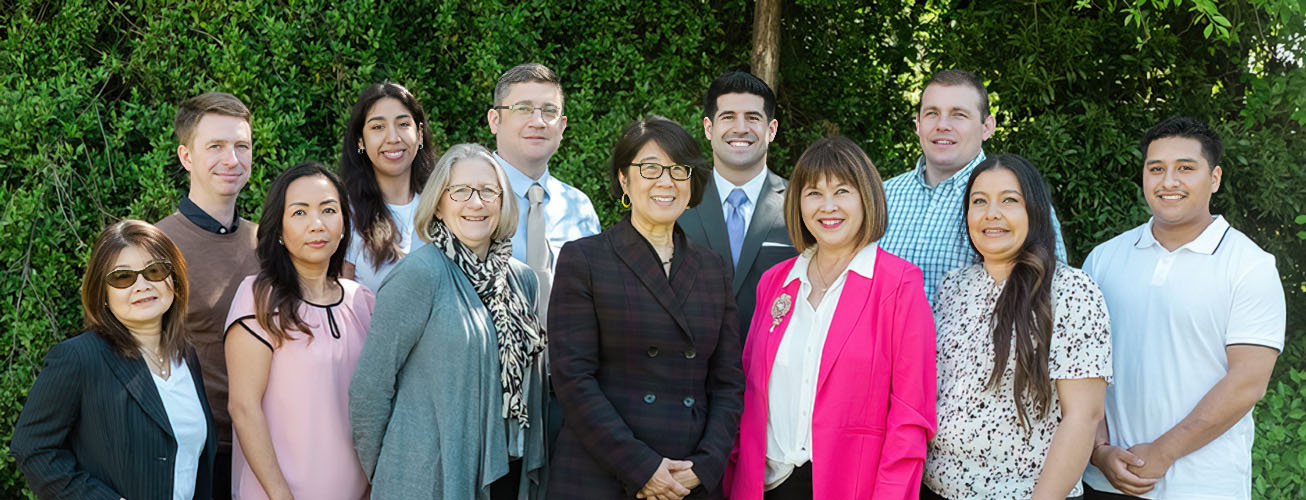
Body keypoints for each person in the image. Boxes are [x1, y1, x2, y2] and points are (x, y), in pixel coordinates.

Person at [1082, 117, 1284, 500]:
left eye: (1185, 168)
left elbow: (1248, 383)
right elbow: (1083, 370)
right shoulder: (1103, 260)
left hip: (1204, 485)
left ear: (1215, 178)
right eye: (1156, 168)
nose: (1168, 181)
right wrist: (1099, 450)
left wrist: (1164, 452)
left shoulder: (1248, 265)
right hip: (1106, 481)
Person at [724, 136, 936, 500]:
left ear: (865, 197)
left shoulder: (899, 285)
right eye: (813, 193)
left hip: (851, 488)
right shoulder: (775, 283)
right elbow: (748, 392)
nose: (828, 206)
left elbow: (910, 418)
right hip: (765, 485)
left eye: (842, 191)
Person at [548, 116, 745, 499]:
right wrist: (642, 468)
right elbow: (573, 380)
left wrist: (705, 465)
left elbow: (728, 383)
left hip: (687, 478)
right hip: (602, 474)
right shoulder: (585, 260)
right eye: (650, 168)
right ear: (625, 180)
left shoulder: (712, 268)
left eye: (678, 170)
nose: (666, 182)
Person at [351, 144, 548, 499]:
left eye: (489, 190)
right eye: (460, 191)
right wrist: (390, 472)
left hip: (508, 471)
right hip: (430, 479)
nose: (476, 202)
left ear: (503, 201)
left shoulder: (522, 281)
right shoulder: (419, 275)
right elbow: (370, 388)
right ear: (438, 203)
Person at [922, 154, 1111, 500]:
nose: (991, 213)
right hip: (936, 489)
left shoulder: (1070, 290)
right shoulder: (952, 287)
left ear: (1034, 212)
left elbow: (1083, 417)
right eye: (979, 201)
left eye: (1009, 200)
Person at [11, 220, 217, 499]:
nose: (142, 285)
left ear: (174, 280)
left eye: (154, 270)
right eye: (122, 277)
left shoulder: (185, 357)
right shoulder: (78, 359)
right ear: (103, 292)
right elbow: (32, 447)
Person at [224, 163, 373, 499]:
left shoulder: (362, 301)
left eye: (329, 210)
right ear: (278, 228)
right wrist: (280, 495)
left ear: (343, 227)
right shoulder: (258, 298)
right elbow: (243, 407)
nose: (316, 224)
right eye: (300, 213)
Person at [880, 70, 1066, 304]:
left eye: (959, 115)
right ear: (918, 124)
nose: (943, 125)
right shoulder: (881, 197)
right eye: (932, 114)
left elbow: (1056, 296)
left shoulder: (1021, 199)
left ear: (987, 127)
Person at [155, 91, 258, 498]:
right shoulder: (158, 246)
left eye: (241, 146)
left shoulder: (267, 242)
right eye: (215, 146)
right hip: (193, 455)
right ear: (186, 157)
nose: (231, 159)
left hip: (264, 445)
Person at [679, 71, 796, 337]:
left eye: (753, 118)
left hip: (777, 368)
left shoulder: (800, 205)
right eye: (728, 117)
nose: (740, 128)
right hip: (693, 370)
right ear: (709, 128)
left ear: (772, 130)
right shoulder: (677, 202)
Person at [486, 62, 600, 322]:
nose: (537, 122)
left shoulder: (579, 206)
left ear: (562, 125)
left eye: (549, 111)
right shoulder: (461, 200)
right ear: (495, 120)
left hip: (566, 359)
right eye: (523, 109)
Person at [339, 81, 437, 292]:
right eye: (377, 127)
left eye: (403, 124)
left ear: (419, 133)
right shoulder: (346, 215)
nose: (393, 138)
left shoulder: (442, 208)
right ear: (360, 141)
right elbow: (340, 310)